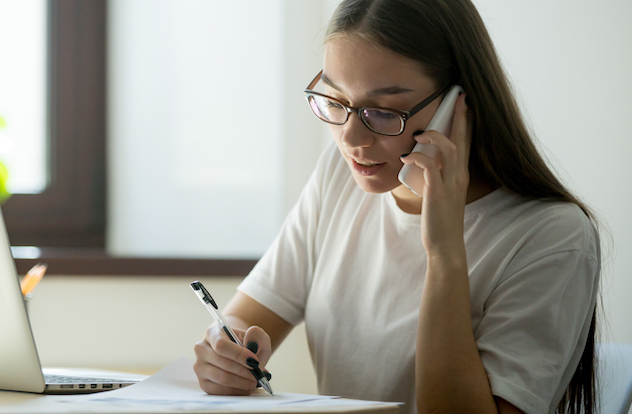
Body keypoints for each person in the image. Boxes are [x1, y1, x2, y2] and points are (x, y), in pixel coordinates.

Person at [191, 0, 601, 413]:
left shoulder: (552, 235)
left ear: (458, 103)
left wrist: (443, 253)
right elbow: (245, 319)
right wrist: (226, 352)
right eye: (335, 99)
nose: (351, 139)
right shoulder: (340, 174)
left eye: (382, 112)